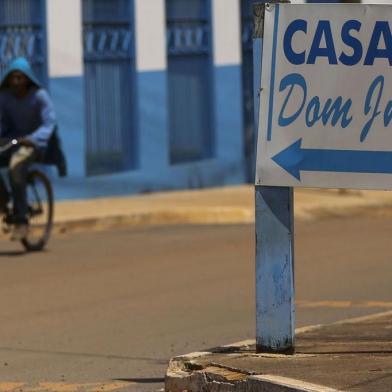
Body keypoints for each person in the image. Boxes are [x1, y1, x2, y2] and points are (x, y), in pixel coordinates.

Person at [0, 57, 56, 240]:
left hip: (34, 144)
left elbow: (49, 122)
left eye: (19, 78)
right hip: (12, 140)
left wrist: (33, 139)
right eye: (12, 78)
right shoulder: (5, 97)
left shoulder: (39, 96)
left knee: (16, 166)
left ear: (27, 79)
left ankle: (22, 219)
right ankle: (3, 199)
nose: (15, 82)